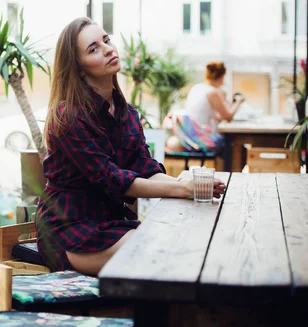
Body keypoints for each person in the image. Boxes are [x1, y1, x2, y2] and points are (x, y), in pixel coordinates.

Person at [36, 17, 226, 275]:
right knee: (161, 251)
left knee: (182, 240)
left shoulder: (126, 112)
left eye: (106, 40)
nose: (107, 49)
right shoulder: (68, 117)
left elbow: (144, 167)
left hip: (109, 222)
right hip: (69, 231)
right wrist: (183, 190)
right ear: (79, 68)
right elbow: (112, 178)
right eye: (93, 49)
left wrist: (186, 185)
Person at [185, 61, 245, 132]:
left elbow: (216, 115)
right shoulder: (212, 92)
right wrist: (238, 102)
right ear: (222, 76)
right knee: (230, 137)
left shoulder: (197, 87)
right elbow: (228, 117)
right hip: (203, 135)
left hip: (191, 133)